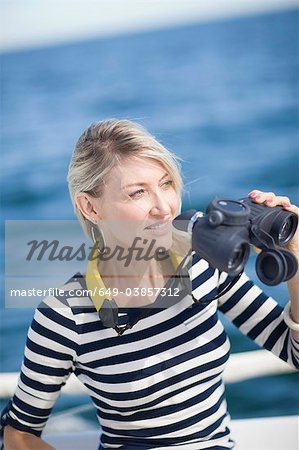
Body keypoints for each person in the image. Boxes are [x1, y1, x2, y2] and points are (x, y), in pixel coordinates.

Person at [1, 119, 299, 450]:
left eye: (166, 184)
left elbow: (294, 351)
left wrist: (295, 258)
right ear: (90, 207)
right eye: (138, 192)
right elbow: (18, 435)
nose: (163, 208)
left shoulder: (204, 264)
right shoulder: (66, 315)